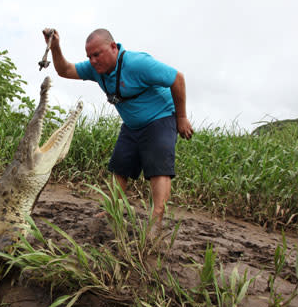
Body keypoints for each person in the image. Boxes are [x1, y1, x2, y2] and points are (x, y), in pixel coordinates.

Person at [42, 28, 193, 228]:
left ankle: (156, 219)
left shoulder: (138, 63)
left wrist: (181, 117)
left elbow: (177, 79)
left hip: (161, 117)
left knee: (158, 169)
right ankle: (112, 210)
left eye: (97, 54)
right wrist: (55, 47)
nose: (93, 60)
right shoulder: (97, 70)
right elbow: (65, 70)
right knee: (120, 167)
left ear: (113, 47)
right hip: (132, 125)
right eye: (90, 57)